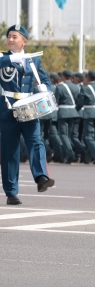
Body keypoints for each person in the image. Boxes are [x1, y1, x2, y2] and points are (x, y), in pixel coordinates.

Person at [0, 25, 54, 203]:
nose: (10, 39)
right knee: (10, 151)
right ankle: (11, 192)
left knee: (36, 142)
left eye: (15, 37)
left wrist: (44, 88)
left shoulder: (33, 61)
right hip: (8, 109)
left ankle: (41, 178)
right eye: (9, 36)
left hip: (30, 108)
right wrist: (13, 58)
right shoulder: (3, 57)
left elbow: (44, 80)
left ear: (25, 41)